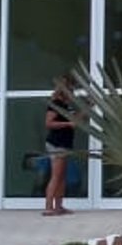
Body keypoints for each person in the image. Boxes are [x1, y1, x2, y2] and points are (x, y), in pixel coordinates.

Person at [42, 75, 76, 216]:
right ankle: (49, 207)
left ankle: (59, 207)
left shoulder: (67, 105)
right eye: (69, 87)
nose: (72, 90)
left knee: (61, 176)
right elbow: (49, 123)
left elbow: (74, 121)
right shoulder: (55, 103)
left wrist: (88, 108)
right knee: (56, 176)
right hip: (56, 143)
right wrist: (67, 124)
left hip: (65, 143)